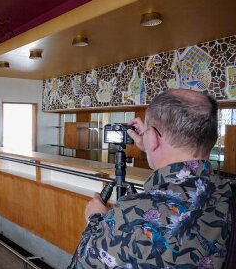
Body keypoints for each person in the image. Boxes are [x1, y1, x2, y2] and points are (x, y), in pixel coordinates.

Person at [69, 89, 232, 268]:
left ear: (153, 137)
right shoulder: (228, 190)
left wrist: (95, 219)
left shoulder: (132, 215)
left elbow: (81, 264)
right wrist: (151, 145)